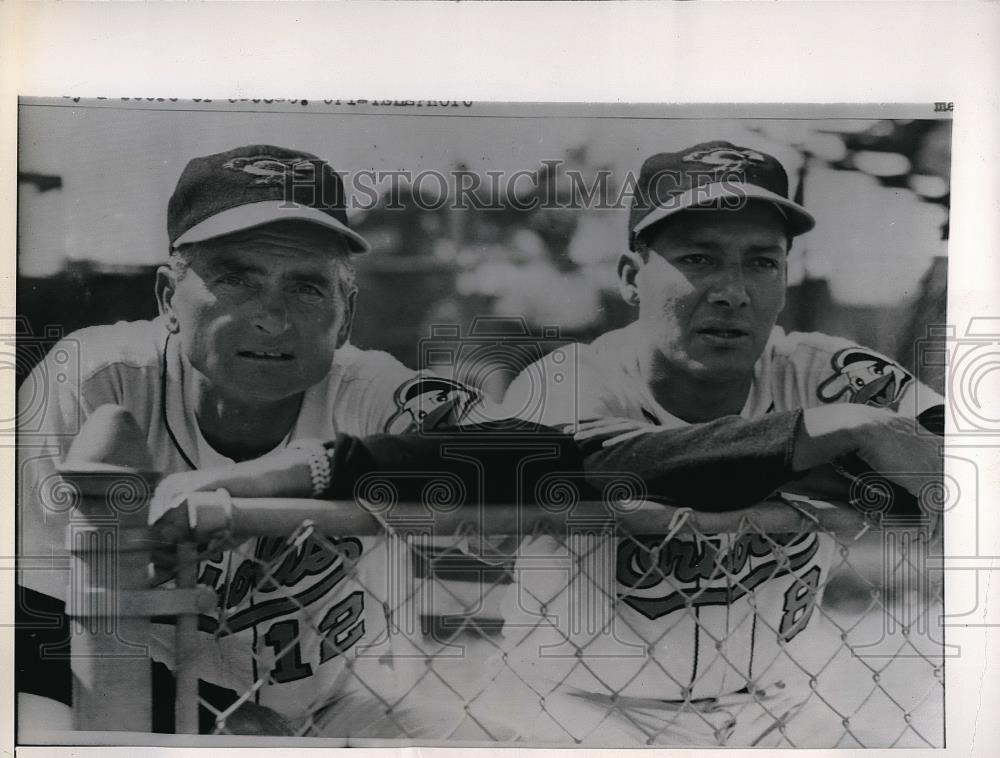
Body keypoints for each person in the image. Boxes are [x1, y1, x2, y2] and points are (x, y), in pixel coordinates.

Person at [15, 144, 506, 739]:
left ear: (345, 314)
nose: (272, 318)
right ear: (169, 297)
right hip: (128, 697)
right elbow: (26, 620)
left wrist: (281, 477)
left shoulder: (367, 389)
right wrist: (208, 716)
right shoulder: (95, 382)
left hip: (337, 703)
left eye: (305, 287)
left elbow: (518, 452)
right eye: (236, 280)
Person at [494, 141, 946, 746]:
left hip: (767, 706)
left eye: (762, 262)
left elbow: (968, 461)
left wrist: (873, 446)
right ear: (632, 277)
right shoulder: (566, 379)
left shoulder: (820, 372)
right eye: (700, 259)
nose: (733, 291)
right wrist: (840, 437)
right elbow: (604, 467)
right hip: (572, 708)